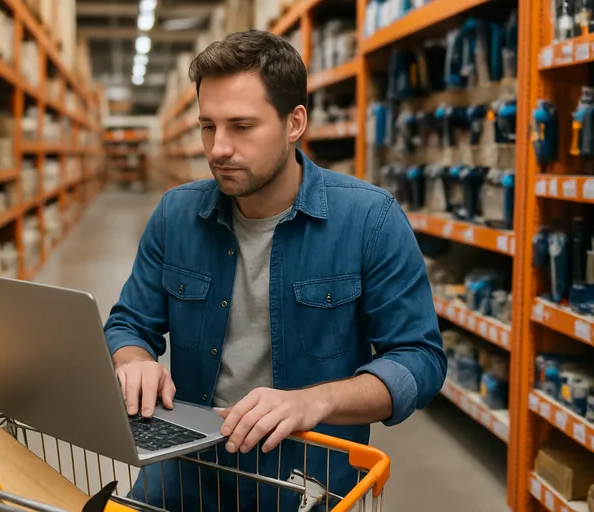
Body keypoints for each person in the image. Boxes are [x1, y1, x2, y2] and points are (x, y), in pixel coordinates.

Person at [103, 29, 446, 511]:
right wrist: (133, 359)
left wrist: (314, 401)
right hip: (192, 466)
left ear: (294, 122)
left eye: (242, 126)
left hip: (308, 477)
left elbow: (420, 360)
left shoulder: (370, 219)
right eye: (208, 126)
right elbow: (127, 323)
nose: (219, 148)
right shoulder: (176, 215)